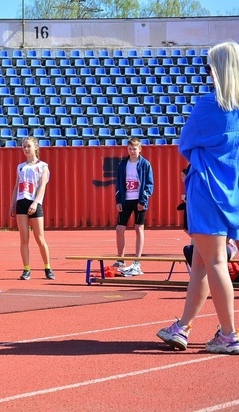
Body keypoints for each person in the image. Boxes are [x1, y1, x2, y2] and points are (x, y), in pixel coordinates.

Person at [157, 41, 239, 355]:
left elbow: (186, 143)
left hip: (206, 188)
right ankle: (184, 326)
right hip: (231, 191)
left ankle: (229, 334)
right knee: (202, 262)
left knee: (214, 261)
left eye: (208, 67)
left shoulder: (208, 105)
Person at [10, 137, 54, 280]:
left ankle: (47, 267)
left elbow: (42, 186)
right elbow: (17, 186)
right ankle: (26, 269)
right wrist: (13, 204)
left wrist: (35, 203)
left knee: (40, 238)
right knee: (24, 239)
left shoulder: (43, 166)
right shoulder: (20, 166)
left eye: (28, 146)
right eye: (23, 146)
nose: (26, 149)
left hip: (34, 202)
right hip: (21, 203)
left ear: (35, 147)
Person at [112, 137, 154, 276]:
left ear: (139, 149)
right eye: (130, 149)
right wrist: (118, 200)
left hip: (139, 200)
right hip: (126, 200)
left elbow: (149, 184)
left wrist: (143, 200)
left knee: (138, 228)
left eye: (134, 149)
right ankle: (120, 259)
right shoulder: (123, 164)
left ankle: (137, 260)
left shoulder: (145, 164)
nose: (132, 151)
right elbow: (118, 183)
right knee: (119, 229)